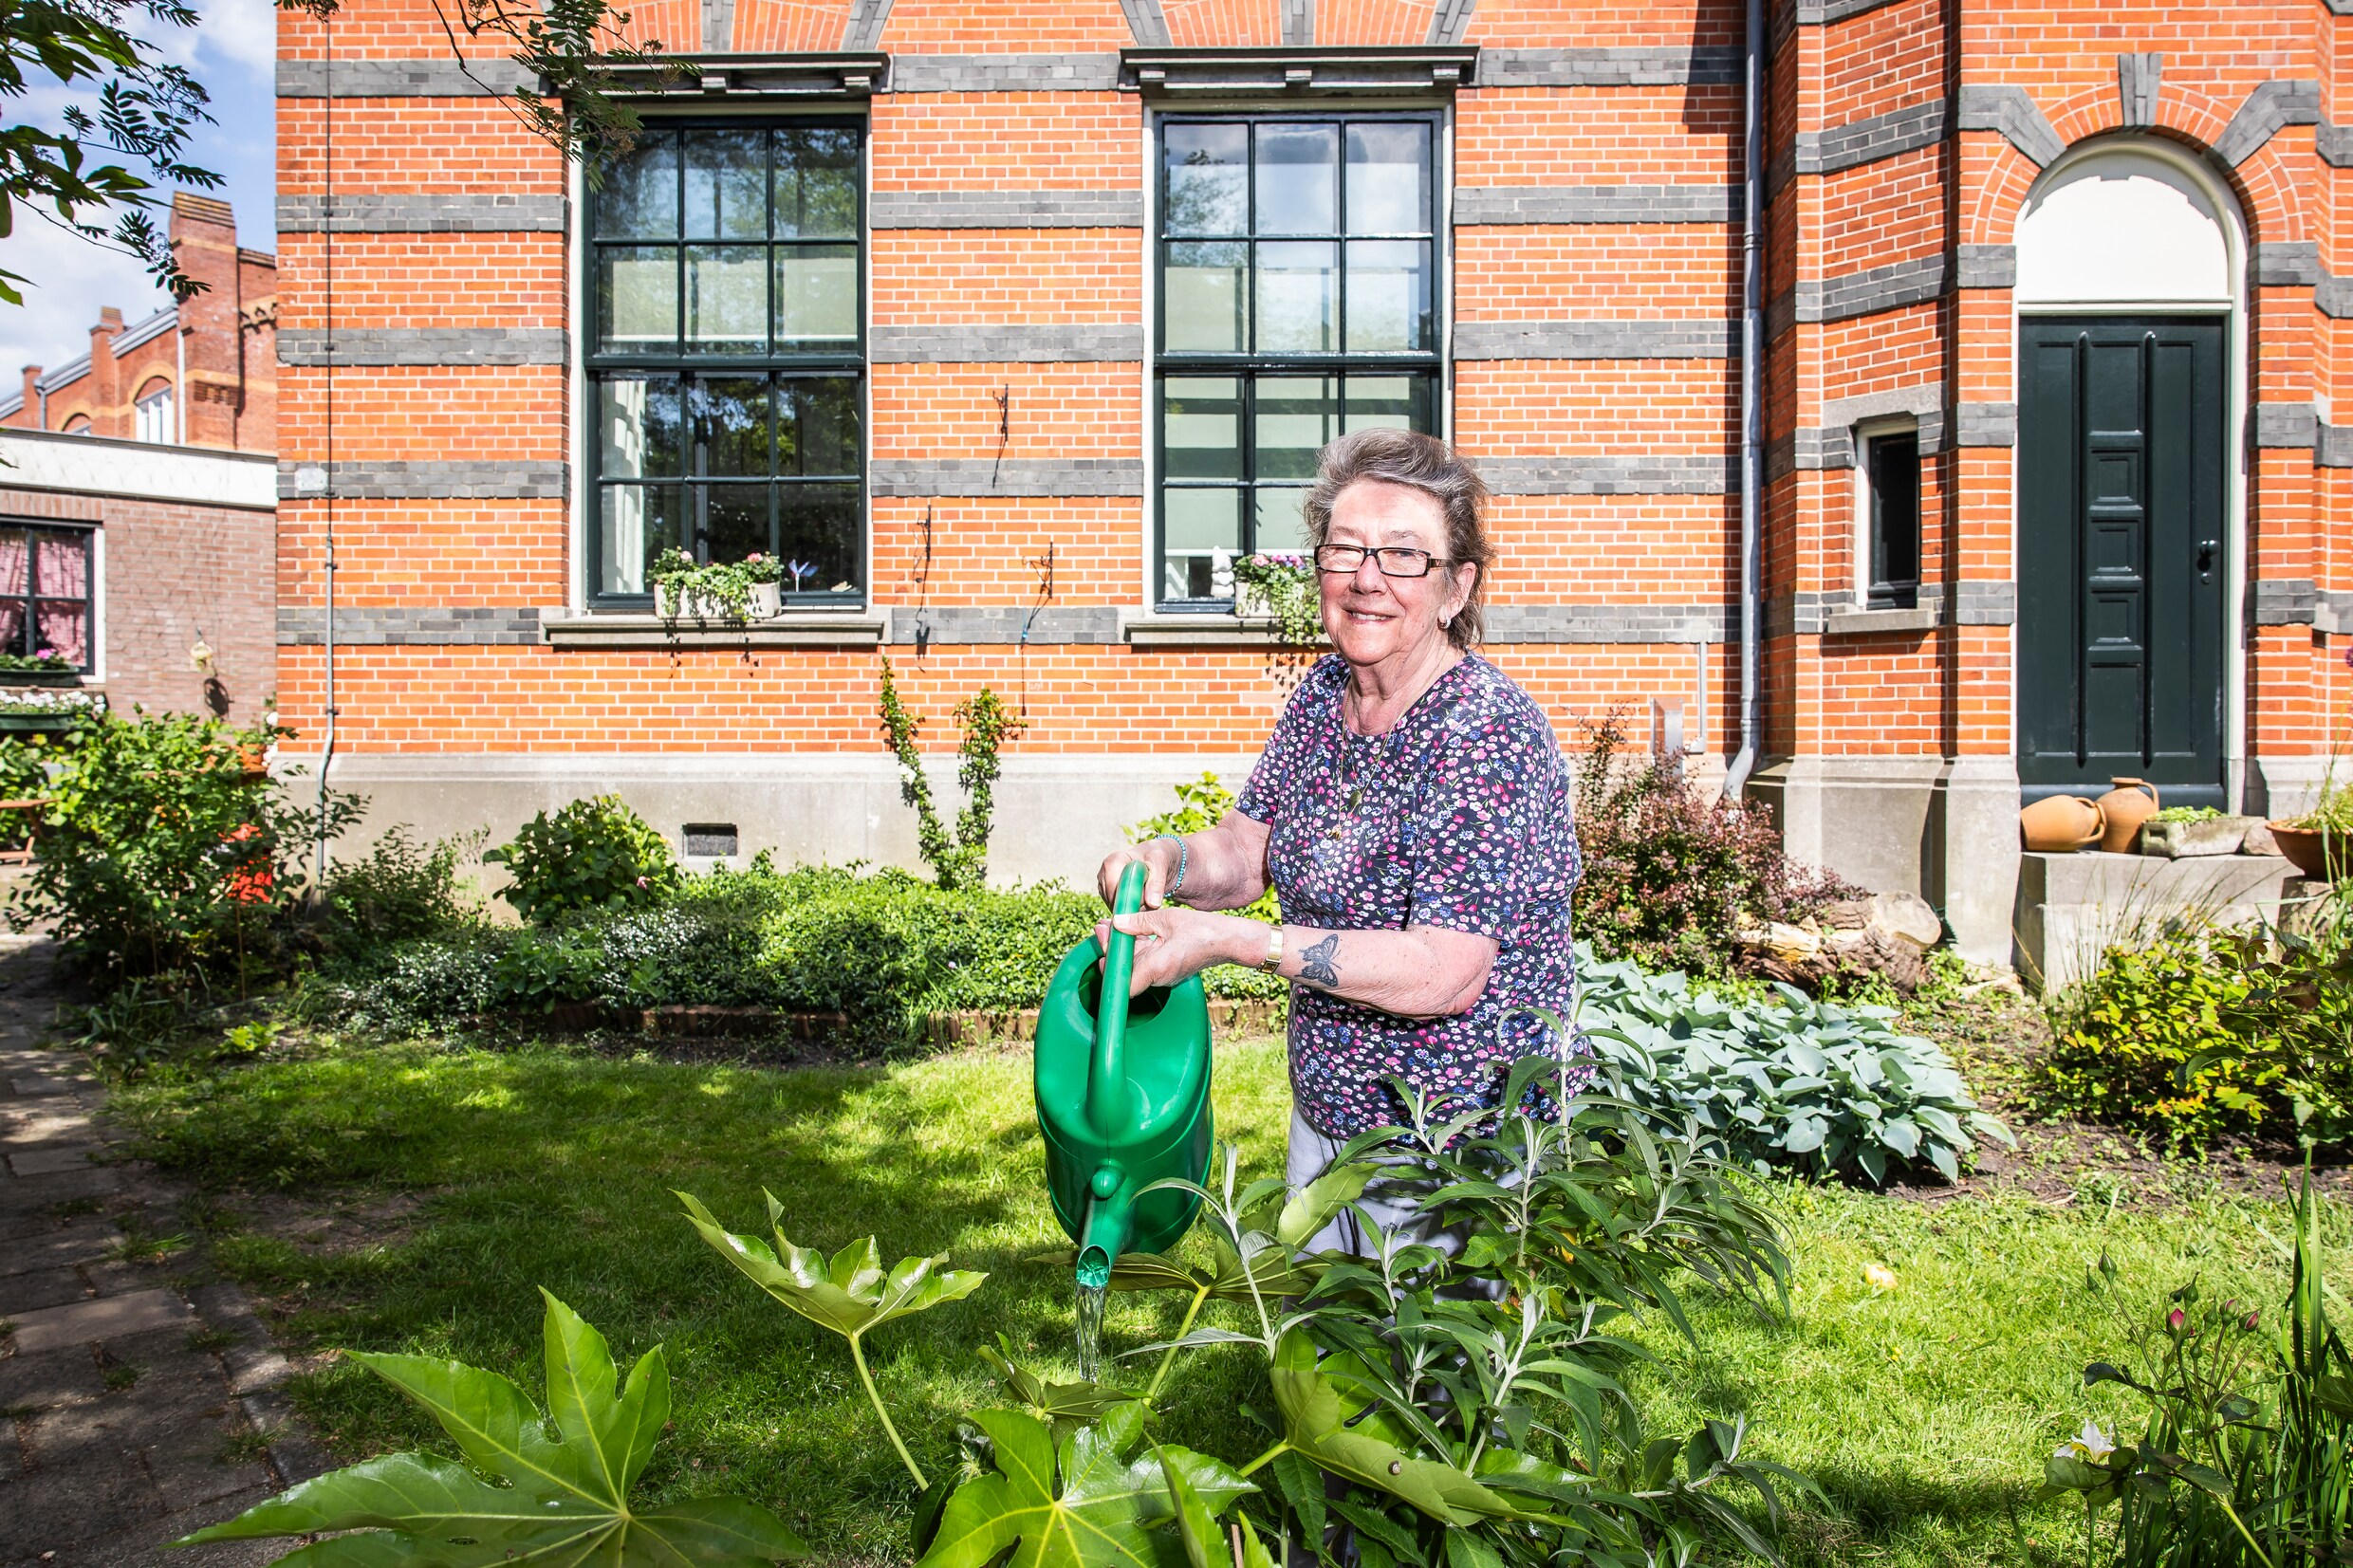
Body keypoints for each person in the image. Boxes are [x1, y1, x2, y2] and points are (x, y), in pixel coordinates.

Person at [1094, 428, 1584, 1250]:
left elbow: (1445, 971)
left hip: (1454, 1151)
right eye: (1346, 548)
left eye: (1403, 555)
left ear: (1456, 587)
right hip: (1329, 1121)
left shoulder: (1487, 732)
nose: (1367, 579)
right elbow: (1247, 852)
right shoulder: (1324, 696)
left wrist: (1227, 942)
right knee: (1318, 1366)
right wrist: (1167, 862)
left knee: (1425, 1377)